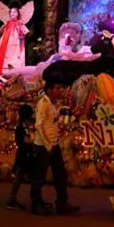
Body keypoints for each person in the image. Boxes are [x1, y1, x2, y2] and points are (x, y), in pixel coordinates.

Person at [30, 80, 79, 215]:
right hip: (43, 146)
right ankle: (36, 203)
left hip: (54, 144)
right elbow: (38, 125)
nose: (60, 90)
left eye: (60, 88)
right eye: (57, 88)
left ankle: (61, 203)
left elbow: (52, 123)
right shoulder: (43, 104)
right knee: (39, 176)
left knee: (60, 175)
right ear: (49, 90)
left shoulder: (53, 104)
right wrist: (47, 145)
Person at [0, 0, 34, 80]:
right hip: (6, 42)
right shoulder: (7, 23)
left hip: (16, 43)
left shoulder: (19, 23)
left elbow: (25, 32)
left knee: (14, 56)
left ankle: (15, 71)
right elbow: (1, 32)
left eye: (15, 12)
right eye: (11, 12)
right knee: (5, 54)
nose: (13, 14)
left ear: (18, 14)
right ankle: (3, 70)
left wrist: (21, 35)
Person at [6, 104, 34, 211]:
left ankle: (13, 199)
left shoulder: (24, 125)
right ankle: (12, 200)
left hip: (24, 154)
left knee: (22, 177)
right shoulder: (21, 127)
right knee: (21, 177)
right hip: (24, 155)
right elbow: (23, 141)